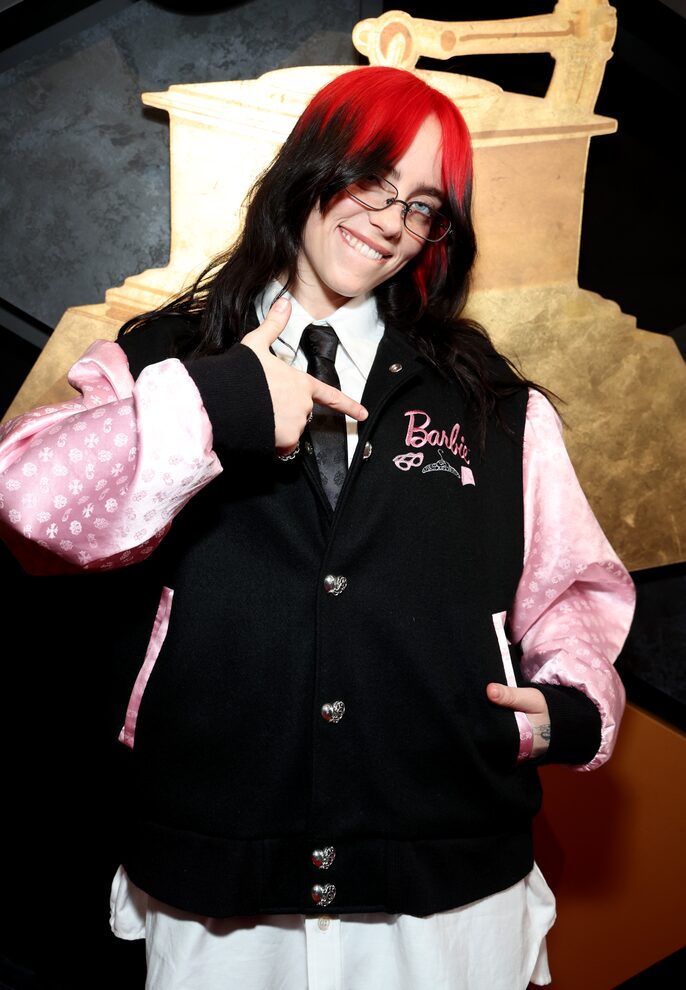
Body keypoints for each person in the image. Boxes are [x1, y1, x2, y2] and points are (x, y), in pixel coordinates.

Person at [0, 66, 635, 990]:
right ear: (313, 165)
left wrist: (571, 705)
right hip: (218, 880)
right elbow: (28, 500)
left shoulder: (491, 403)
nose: (391, 220)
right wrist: (220, 403)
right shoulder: (168, 359)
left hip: (447, 885)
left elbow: (571, 587)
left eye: (422, 206)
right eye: (373, 179)